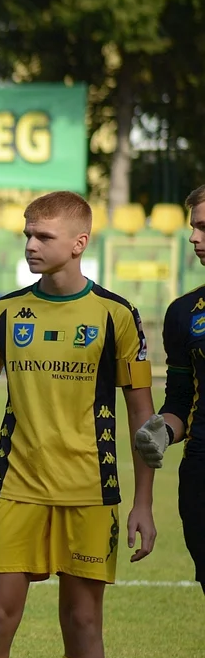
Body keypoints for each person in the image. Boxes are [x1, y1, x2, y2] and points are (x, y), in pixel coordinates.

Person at [0, 191, 159, 658]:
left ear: (79, 243)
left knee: (83, 623)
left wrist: (144, 504)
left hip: (91, 492)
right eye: (27, 234)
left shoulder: (116, 315)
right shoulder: (4, 313)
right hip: (16, 487)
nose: (30, 244)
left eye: (43, 236)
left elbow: (143, 418)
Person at [135, 183, 205, 594]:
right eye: (193, 227)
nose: (194, 237)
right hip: (199, 472)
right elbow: (181, 400)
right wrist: (162, 431)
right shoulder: (183, 313)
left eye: (203, 227)